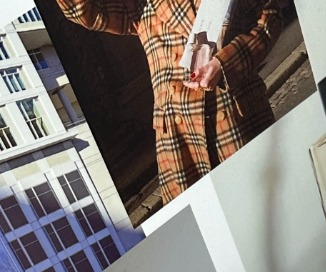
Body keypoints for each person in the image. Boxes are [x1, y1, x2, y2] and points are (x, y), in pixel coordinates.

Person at [55, 1, 283, 203]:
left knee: (268, 205)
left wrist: (226, 63)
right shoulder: (138, 6)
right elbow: (80, 11)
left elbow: (270, 15)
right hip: (179, 138)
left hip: (235, 114)